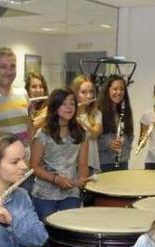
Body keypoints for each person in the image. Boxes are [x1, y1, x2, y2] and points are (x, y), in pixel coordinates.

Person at [29, 88, 89, 220]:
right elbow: (34, 166)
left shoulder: (82, 132)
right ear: (55, 106)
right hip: (45, 192)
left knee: (68, 229)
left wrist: (81, 180)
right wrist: (56, 179)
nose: (69, 107)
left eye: (72, 103)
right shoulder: (43, 133)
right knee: (48, 232)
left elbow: (83, 164)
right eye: (64, 103)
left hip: (71, 191)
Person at [97, 74, 133, 172]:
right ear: (107, 90)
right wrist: (108, 144)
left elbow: (130, 135)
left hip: (122, 162)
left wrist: (124, 143)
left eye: (122, 89)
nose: (119, 92)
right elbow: (92, 140)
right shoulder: (98, 112)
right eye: (115, 89)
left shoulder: (125, 111)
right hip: (104, 163)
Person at [70, 75, 102, 176]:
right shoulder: (68, 113)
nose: (89, 96)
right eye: (83, 92)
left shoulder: (96, 114)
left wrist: (81, 123)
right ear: (75, 94)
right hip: (72, 163)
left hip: (90, 162)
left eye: (91, 92)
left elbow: (95, 134)